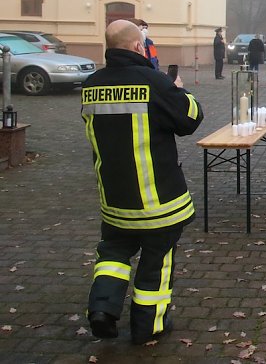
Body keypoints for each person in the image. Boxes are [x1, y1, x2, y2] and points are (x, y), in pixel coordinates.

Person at [81, 19, 203, 345]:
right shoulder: (153, 82)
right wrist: (176, 89)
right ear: (138, 46)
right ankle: (148, 326)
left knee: (112, 254)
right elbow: (191, 118)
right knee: (155, 262)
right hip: (157, 201)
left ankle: (102, 310)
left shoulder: (91, 85)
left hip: (115, 201)